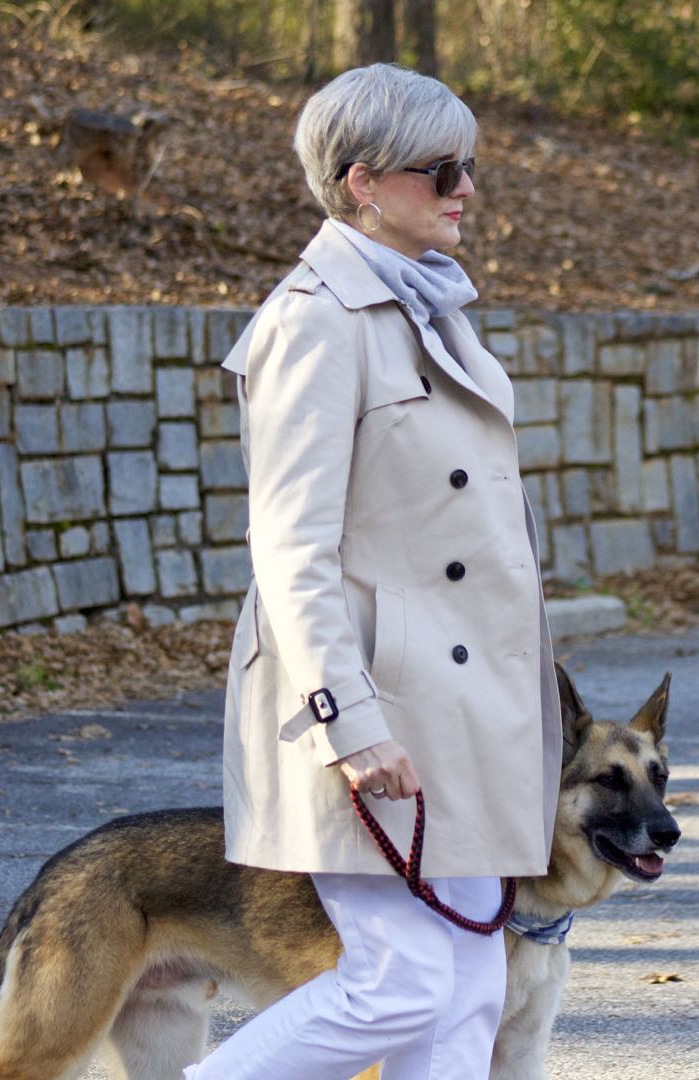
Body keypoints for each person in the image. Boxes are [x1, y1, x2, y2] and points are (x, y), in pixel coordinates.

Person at [184, 63, 563, 1080]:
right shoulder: (317, 319)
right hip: (379, 707)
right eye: (441, 172)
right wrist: (347, 723)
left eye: (469, 168)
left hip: (465, 710)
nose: (467, 191)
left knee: (472, 989)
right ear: (361, 181)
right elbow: (289, 545)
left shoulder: (433, 309)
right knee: (399, 983)